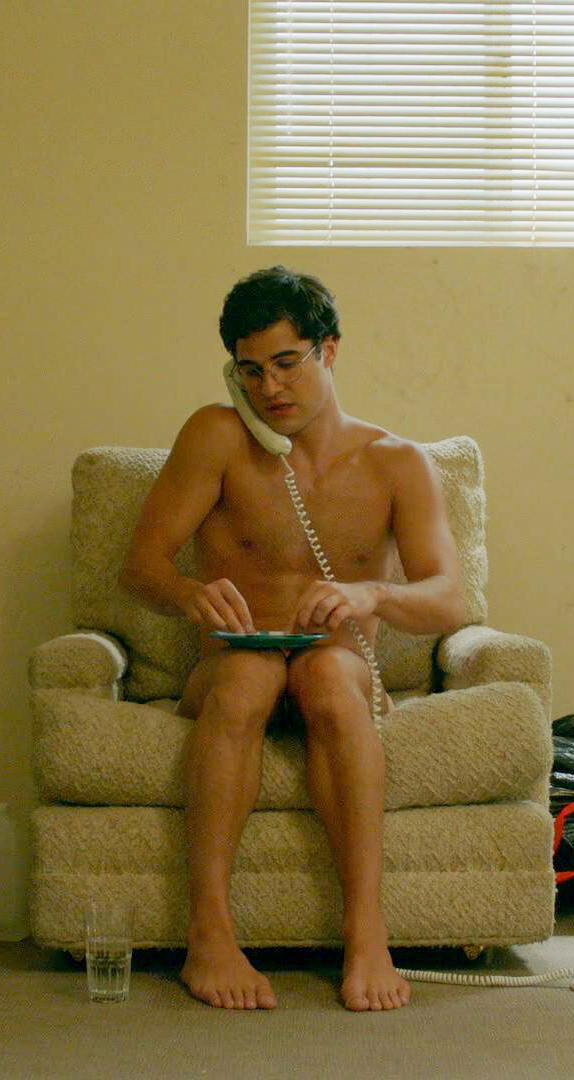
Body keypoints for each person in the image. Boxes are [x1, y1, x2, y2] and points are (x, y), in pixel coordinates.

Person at [119, 267, 469, 1011]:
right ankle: (210, 935)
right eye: (250, 370)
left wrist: (371, 594)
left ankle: (366, 934)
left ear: (329, 351)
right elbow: (141, 566)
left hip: (335, 662)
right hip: (234, 663)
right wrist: (188, 594)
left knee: (330, 679)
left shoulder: (396, 462)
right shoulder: (217, 437)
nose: (269, 388)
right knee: (250, 679)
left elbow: (450, 598)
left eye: (286, 363)